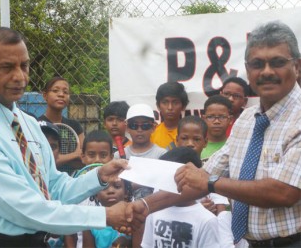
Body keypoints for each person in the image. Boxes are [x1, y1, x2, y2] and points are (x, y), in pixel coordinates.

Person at [128, 21, 301, 248]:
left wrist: (210, 182)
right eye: (258, 64)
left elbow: (284, 192)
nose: (267, 71)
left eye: (277, 62)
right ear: (248, 71)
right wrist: (145, 205)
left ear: (297, 67)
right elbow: (200, 177)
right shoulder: (246, 122)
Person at [0, 27, 138, 248]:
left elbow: (54, 189)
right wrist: (104, 216)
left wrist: (99, 176)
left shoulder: (27, 123)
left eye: (25, 66)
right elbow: (25, 209)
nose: (20, 77)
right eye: (7, 67)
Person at [141, 147, 219, 248]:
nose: (162, 183)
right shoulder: (153, 211)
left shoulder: (207, 220)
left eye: (169, 178)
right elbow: (147, 245)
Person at [64, 129, 117, 248]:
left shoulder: (117, 188)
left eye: (103, 155)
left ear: (111, 157)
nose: (97, 160)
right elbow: (69, 232)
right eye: (91, 155)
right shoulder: (72, 188)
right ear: (83, 157)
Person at [114, 103, 167, 199]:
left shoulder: (162, 154)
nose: (139, 130)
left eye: (145, 126)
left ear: (154, 127)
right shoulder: (117, 156)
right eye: (134, 126)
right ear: (127, 128)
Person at [38, 76, 84, 174]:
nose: (61, 94)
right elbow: (42, 161)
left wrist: (59, 160)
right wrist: (74, 155)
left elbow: (83, 159)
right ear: (45, 95)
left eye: (65, 92)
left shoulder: (75, 126)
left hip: (72, 180)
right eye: (55, 91)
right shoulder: (37, 125)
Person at [83, 179, 133, 248]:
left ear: (126, 192)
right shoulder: (90, 223)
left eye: (117, 186)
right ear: (96, 194)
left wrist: (128, 241)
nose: (110, 191)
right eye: (104, 187)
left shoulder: (132, 219)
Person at [150, 82, 189, 149]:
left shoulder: (190, 132)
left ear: (183, 106)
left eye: (175, 102)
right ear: (158, 106)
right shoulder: (152, 133)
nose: (170, 107)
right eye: (165, 102)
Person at [201, 95, 233, 162]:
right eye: (210, 117)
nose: (216, 121)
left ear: (230, 120)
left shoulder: (234, 146)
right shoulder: (197, 146)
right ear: (204, 119)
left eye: (222, 117)